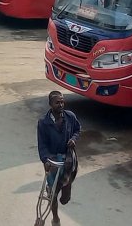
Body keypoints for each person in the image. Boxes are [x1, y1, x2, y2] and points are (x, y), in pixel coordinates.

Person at [36, 91, 81, 226]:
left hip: (67, 159)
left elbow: (77, 129)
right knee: (52, 194)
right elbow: (42, 144)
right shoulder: (43, 123)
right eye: (57, 102)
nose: (61, 104)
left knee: (65, 197)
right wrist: (46, 160)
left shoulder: (70, 116)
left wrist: (74, 139)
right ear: (50, 104)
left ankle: (67, 187)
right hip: (53, 160)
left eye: (62, 101)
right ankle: (55, 218)